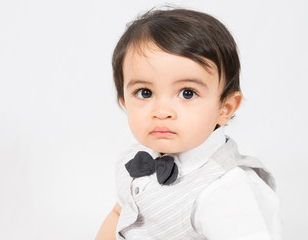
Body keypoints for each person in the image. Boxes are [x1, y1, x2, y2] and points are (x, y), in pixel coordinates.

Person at [96, 7, 281, 240]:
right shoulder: (134, 161)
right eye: (144, 92)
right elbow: (118, 214)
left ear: (225, 108)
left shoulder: (225, 191)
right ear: (124, 101)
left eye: (187, 93)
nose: (161, 112)